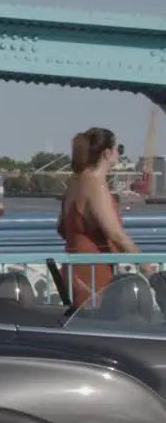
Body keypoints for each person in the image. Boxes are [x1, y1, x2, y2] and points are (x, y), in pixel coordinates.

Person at [58, 128, 155, 307]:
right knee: (101, 324)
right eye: (118, 148)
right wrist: (145, 263)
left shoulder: (74, 183)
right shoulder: (95, 186)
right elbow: (115, 234)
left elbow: (61, 229)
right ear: (107, 153)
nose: (119, 153)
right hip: (94, 272)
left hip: (73, 269)